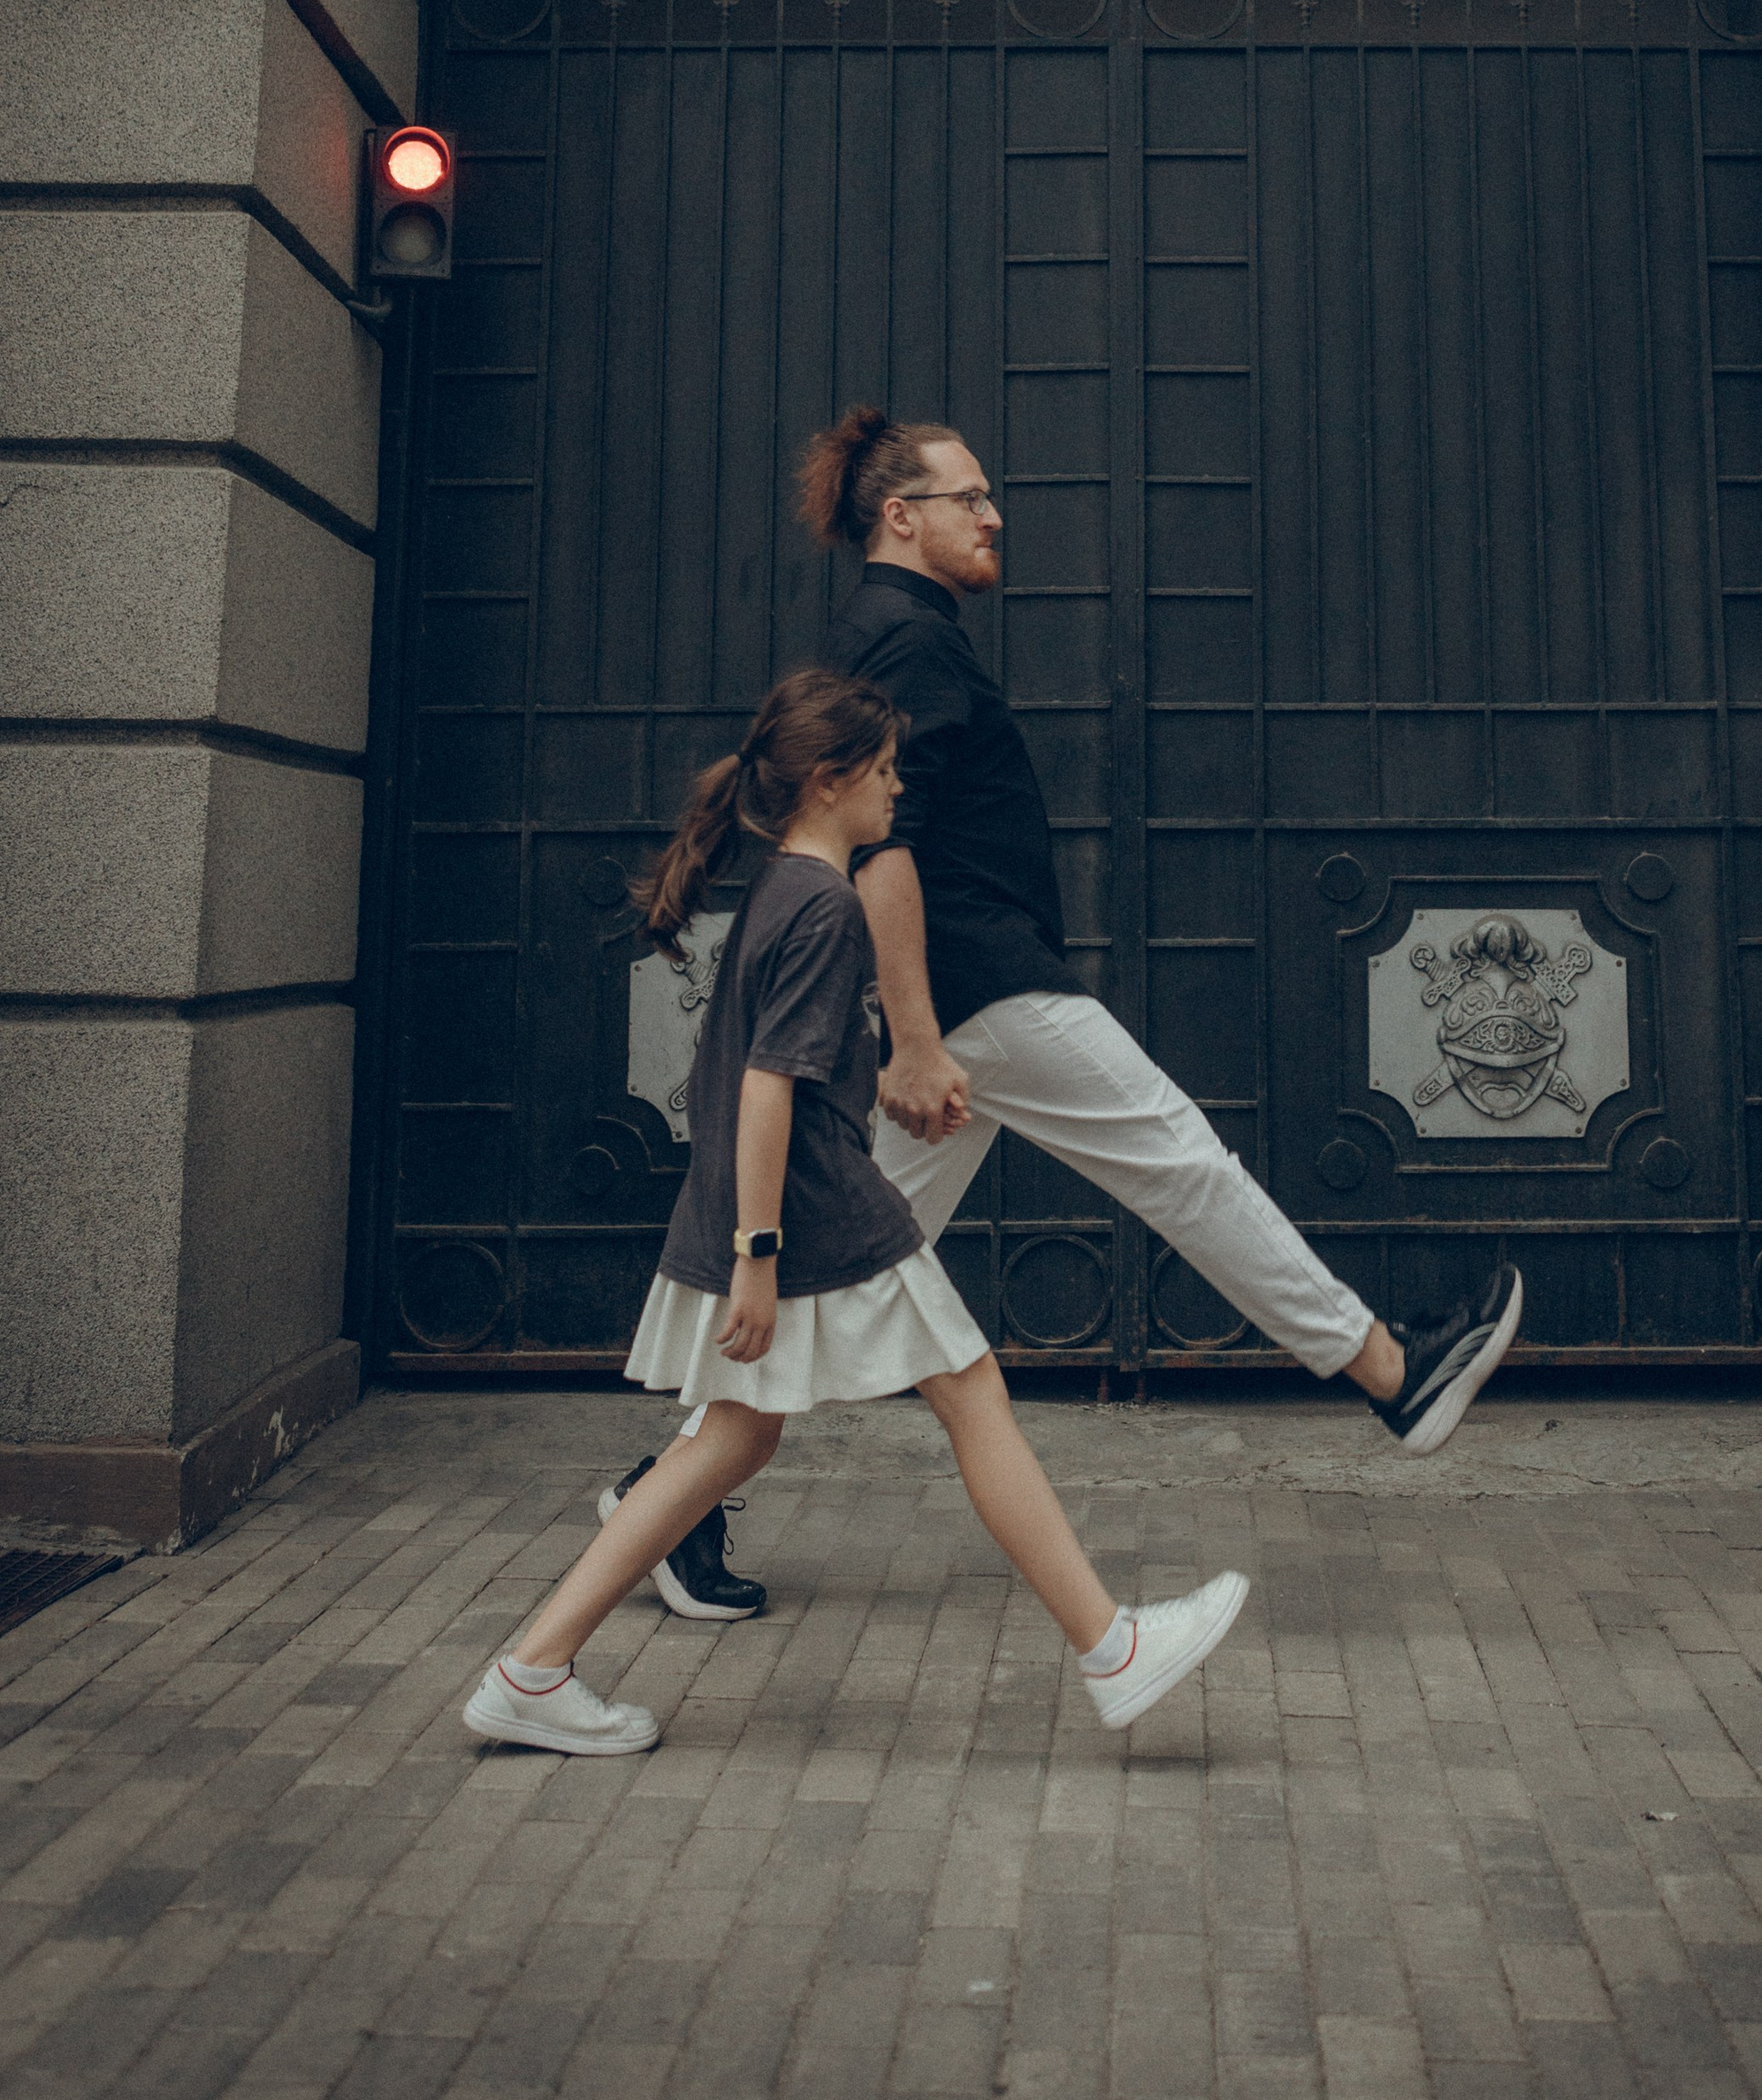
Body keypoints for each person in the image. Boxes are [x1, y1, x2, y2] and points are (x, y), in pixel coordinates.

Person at [465, 668, 1247, 1756]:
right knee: (973, 1393)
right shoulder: (829, 906)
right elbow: (764, 1088)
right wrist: (757, 1256)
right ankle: (1112, 1648)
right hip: (822, 1215)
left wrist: (862, 1091)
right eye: (882, 772)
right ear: (829, 782)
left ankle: (531, 1668)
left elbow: (763, 1064)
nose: (897, 790)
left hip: (783, 1211)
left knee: (730, 1443)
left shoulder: (785, 890)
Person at [806, 405, 1524, 1450]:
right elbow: (883, 849)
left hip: (961, 992)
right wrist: (914, 1038)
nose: (994, 516)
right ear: (901, 516)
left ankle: (668, 1498)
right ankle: (1391, 1370)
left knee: (842, 1270)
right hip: (981, 988)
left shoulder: (897, 632)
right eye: (971, 498)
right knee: (1181, 1162)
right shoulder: (904, 639)